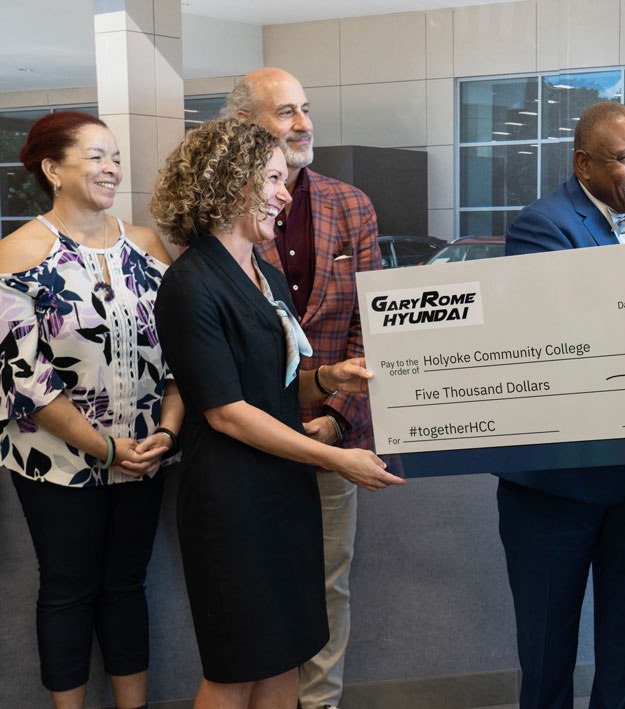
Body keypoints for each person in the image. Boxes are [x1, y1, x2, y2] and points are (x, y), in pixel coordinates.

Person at [150, 118, 404, 709]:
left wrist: (328, 379)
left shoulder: (262, 274)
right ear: (229, 183)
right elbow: (228, 413)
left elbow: (274, 386)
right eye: (271, 179)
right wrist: (337, 457)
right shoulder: (191, 283)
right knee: (237, 665)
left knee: (289, 651)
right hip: (231, 503)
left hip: (283, 492)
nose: (285, 194)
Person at [500, 100, 625, 709]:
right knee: (549, 647)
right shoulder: (542, 225)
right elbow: (570, 333)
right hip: (559, 481)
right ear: (583, 162)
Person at [0, 111, 180, 709]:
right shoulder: (18, 254)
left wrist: (168, 433)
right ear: (52, 169)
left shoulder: (148, 246)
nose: (112, 168)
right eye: (97, 157)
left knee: (128, 586)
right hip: (56, 461)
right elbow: (25, 378)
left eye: (116, 157)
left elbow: (183, 354)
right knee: (68, 590)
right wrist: (103, 448)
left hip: (146, 455)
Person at [219, 66, 385, 709]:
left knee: (325, 588)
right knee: (255, 592)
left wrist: (338, 419)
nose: (305, 124)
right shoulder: (216, 221)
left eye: (306, 109)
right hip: (243, 443)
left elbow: (374, 328)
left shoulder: (350, 205)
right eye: (286, 112)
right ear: (243, 126)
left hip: (331, 435)